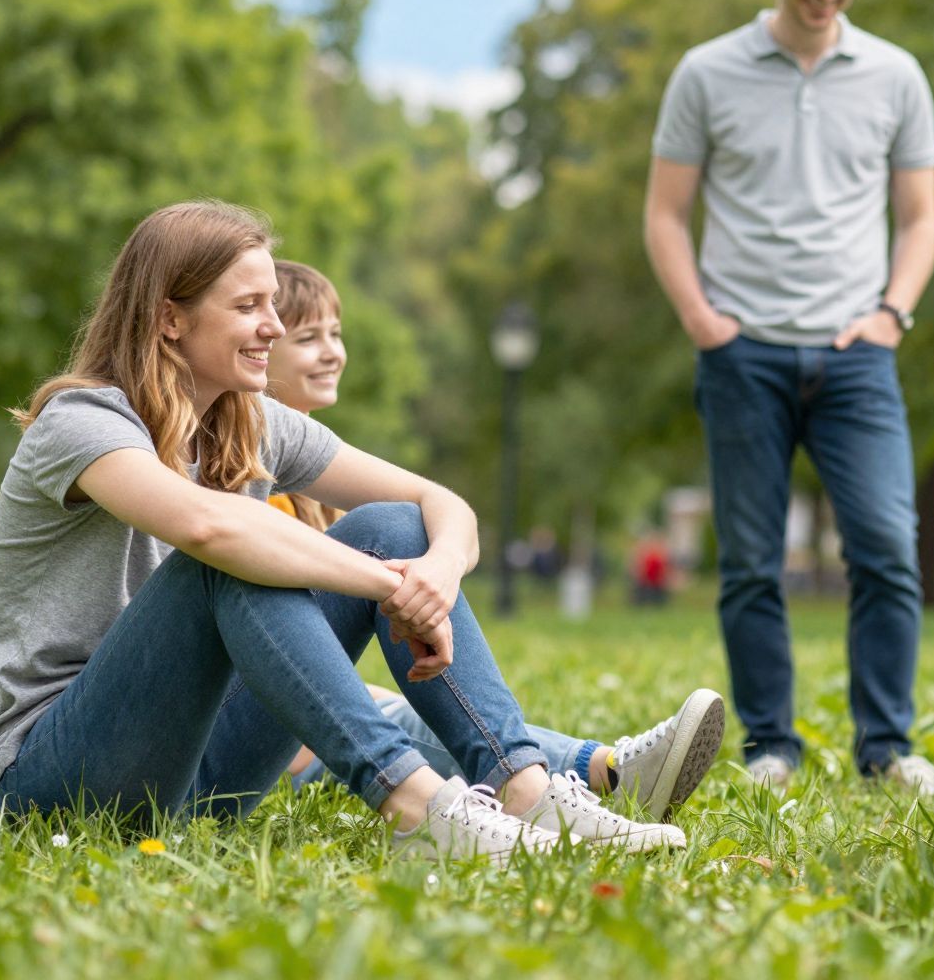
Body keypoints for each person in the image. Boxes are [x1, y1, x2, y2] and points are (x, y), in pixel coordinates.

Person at [0, 201, 683, 865]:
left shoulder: (253, 425)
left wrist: (435, 571)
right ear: (170, 319)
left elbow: (439, 501)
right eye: (249, 306)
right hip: (58, 779)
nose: (273, 327)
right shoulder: (83, 423)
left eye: (272, 305)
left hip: (201, 775)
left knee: (394, 526)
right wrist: (387, 586)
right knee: (233, 554)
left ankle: (525, 789)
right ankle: (417, 808)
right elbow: (207, 527)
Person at [644, 0, 934, 793]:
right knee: (749, 563)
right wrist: (705, 322)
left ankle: (886, 747)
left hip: (857, 356)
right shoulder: (707, 71)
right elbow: (665, 212)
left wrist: (891, 313)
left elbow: (921, 218)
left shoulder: (896, 76)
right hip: (745, 354)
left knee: (888, 548)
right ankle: (771, 742)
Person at [261, 260, 724, 820]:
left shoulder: (317, 480)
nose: (333, 352)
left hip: (306, 723)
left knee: (413, 699)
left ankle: (598, 771)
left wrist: (435, 575)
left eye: (336, 334)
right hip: (284, 757)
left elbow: (435, 510)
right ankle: (607, 774)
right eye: (309, 339)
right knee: (406, 720)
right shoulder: (261, 496)